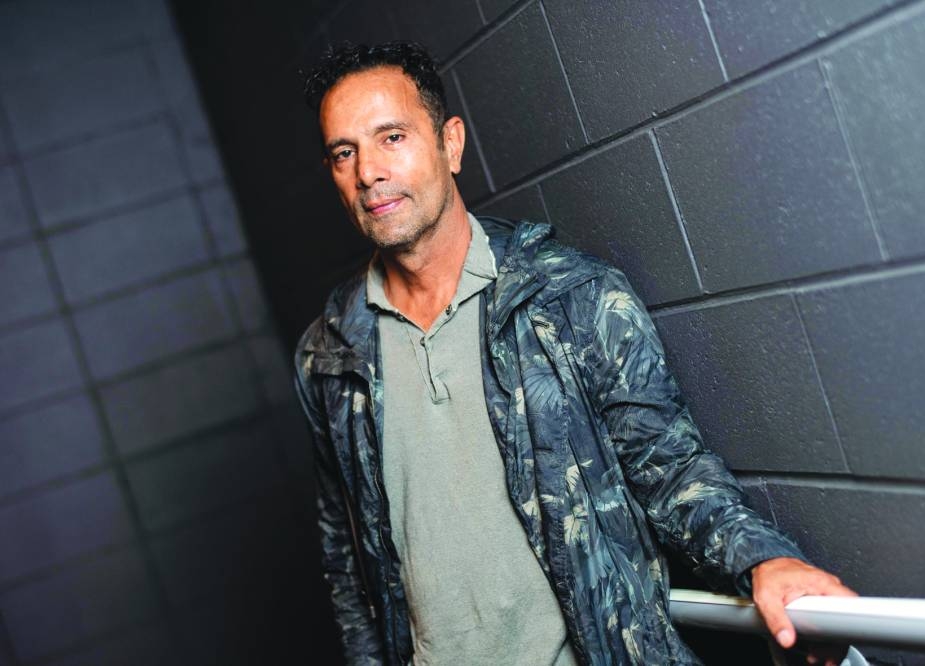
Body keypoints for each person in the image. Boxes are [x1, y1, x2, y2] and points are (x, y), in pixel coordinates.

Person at [294, 41, 855, 666]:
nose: (368, 171)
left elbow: (669, 467)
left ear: (451, 144)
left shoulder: (571, 297)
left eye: (392, 137)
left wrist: (762, 559)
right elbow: (348, 559)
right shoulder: (330, 354)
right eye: (344, 153)